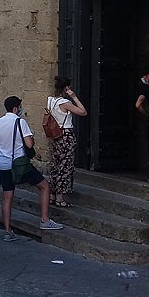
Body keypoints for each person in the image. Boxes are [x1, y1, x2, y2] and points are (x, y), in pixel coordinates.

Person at [0, 96, 58, 238]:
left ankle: (8, 230)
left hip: (4, 164)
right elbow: (29, 144)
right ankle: (45, 219)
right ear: (16, 108)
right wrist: (31, 137)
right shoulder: (20, 122)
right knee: (44, 186)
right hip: (19, 163)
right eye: (20, 107)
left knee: (7, 195)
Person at [45, 77, 86, 209]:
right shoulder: (64, 103)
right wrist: (74, 97)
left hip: (56, 135)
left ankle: (52, 194)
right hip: (66, 135)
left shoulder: (50, 100)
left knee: (56, 164)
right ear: (66, 88)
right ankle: (60, 197)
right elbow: (83, 112)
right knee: (66, 166)